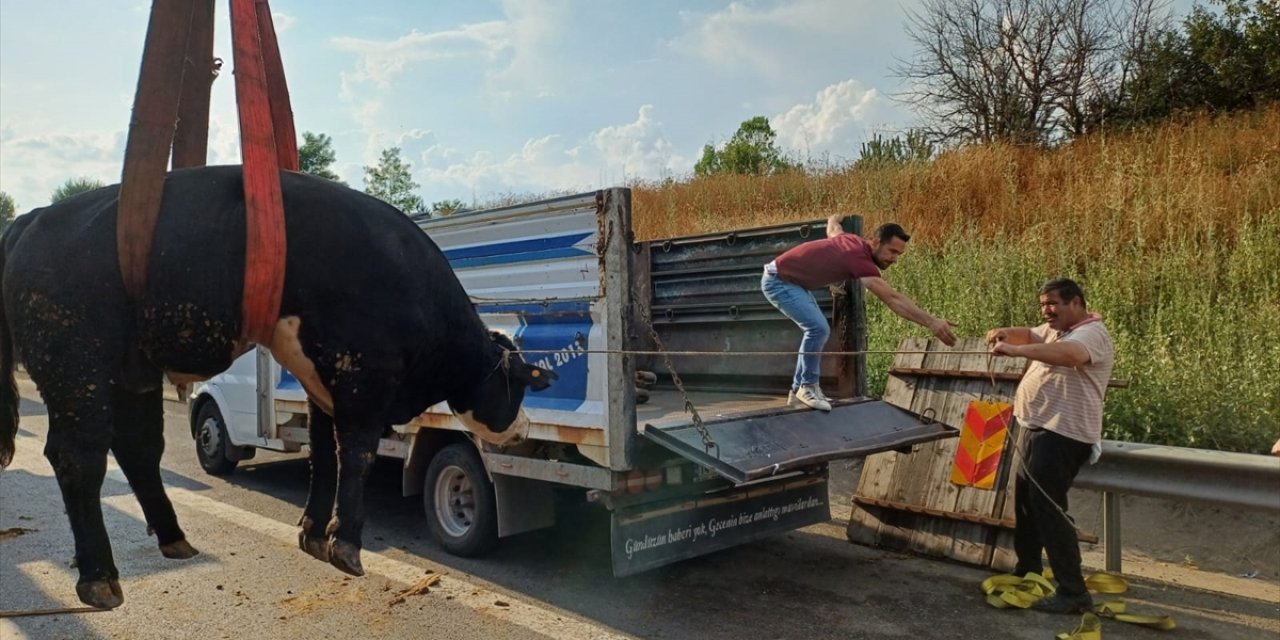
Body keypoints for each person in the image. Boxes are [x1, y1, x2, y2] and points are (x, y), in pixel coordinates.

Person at [986, 278, 1114, 614]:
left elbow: (1069, 355)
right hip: (1037, 429)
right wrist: (1004, 333)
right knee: (1027, 504)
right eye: (1043, 305)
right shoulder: (1054, 330)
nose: (1047, 311)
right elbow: (1029, 334)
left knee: (1049, 510)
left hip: (1064, 434)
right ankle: (1028, 569)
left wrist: (1015, 351)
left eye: (1053, 304)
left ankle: (1073, 592)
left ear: (1076, 303)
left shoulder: (1090, 334)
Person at [761, 215, 957, 412]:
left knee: (818, 329)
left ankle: (798, 392)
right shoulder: (859, 259)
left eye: (899, 254)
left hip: (790, 282)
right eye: (892, 252)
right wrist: (932, 322)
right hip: (778, 281)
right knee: (817, 329)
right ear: (875, 243)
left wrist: (834, 219)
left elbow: (833, 231)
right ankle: (807, 386)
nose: (894, 259)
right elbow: (893, 299)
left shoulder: (853, 240)